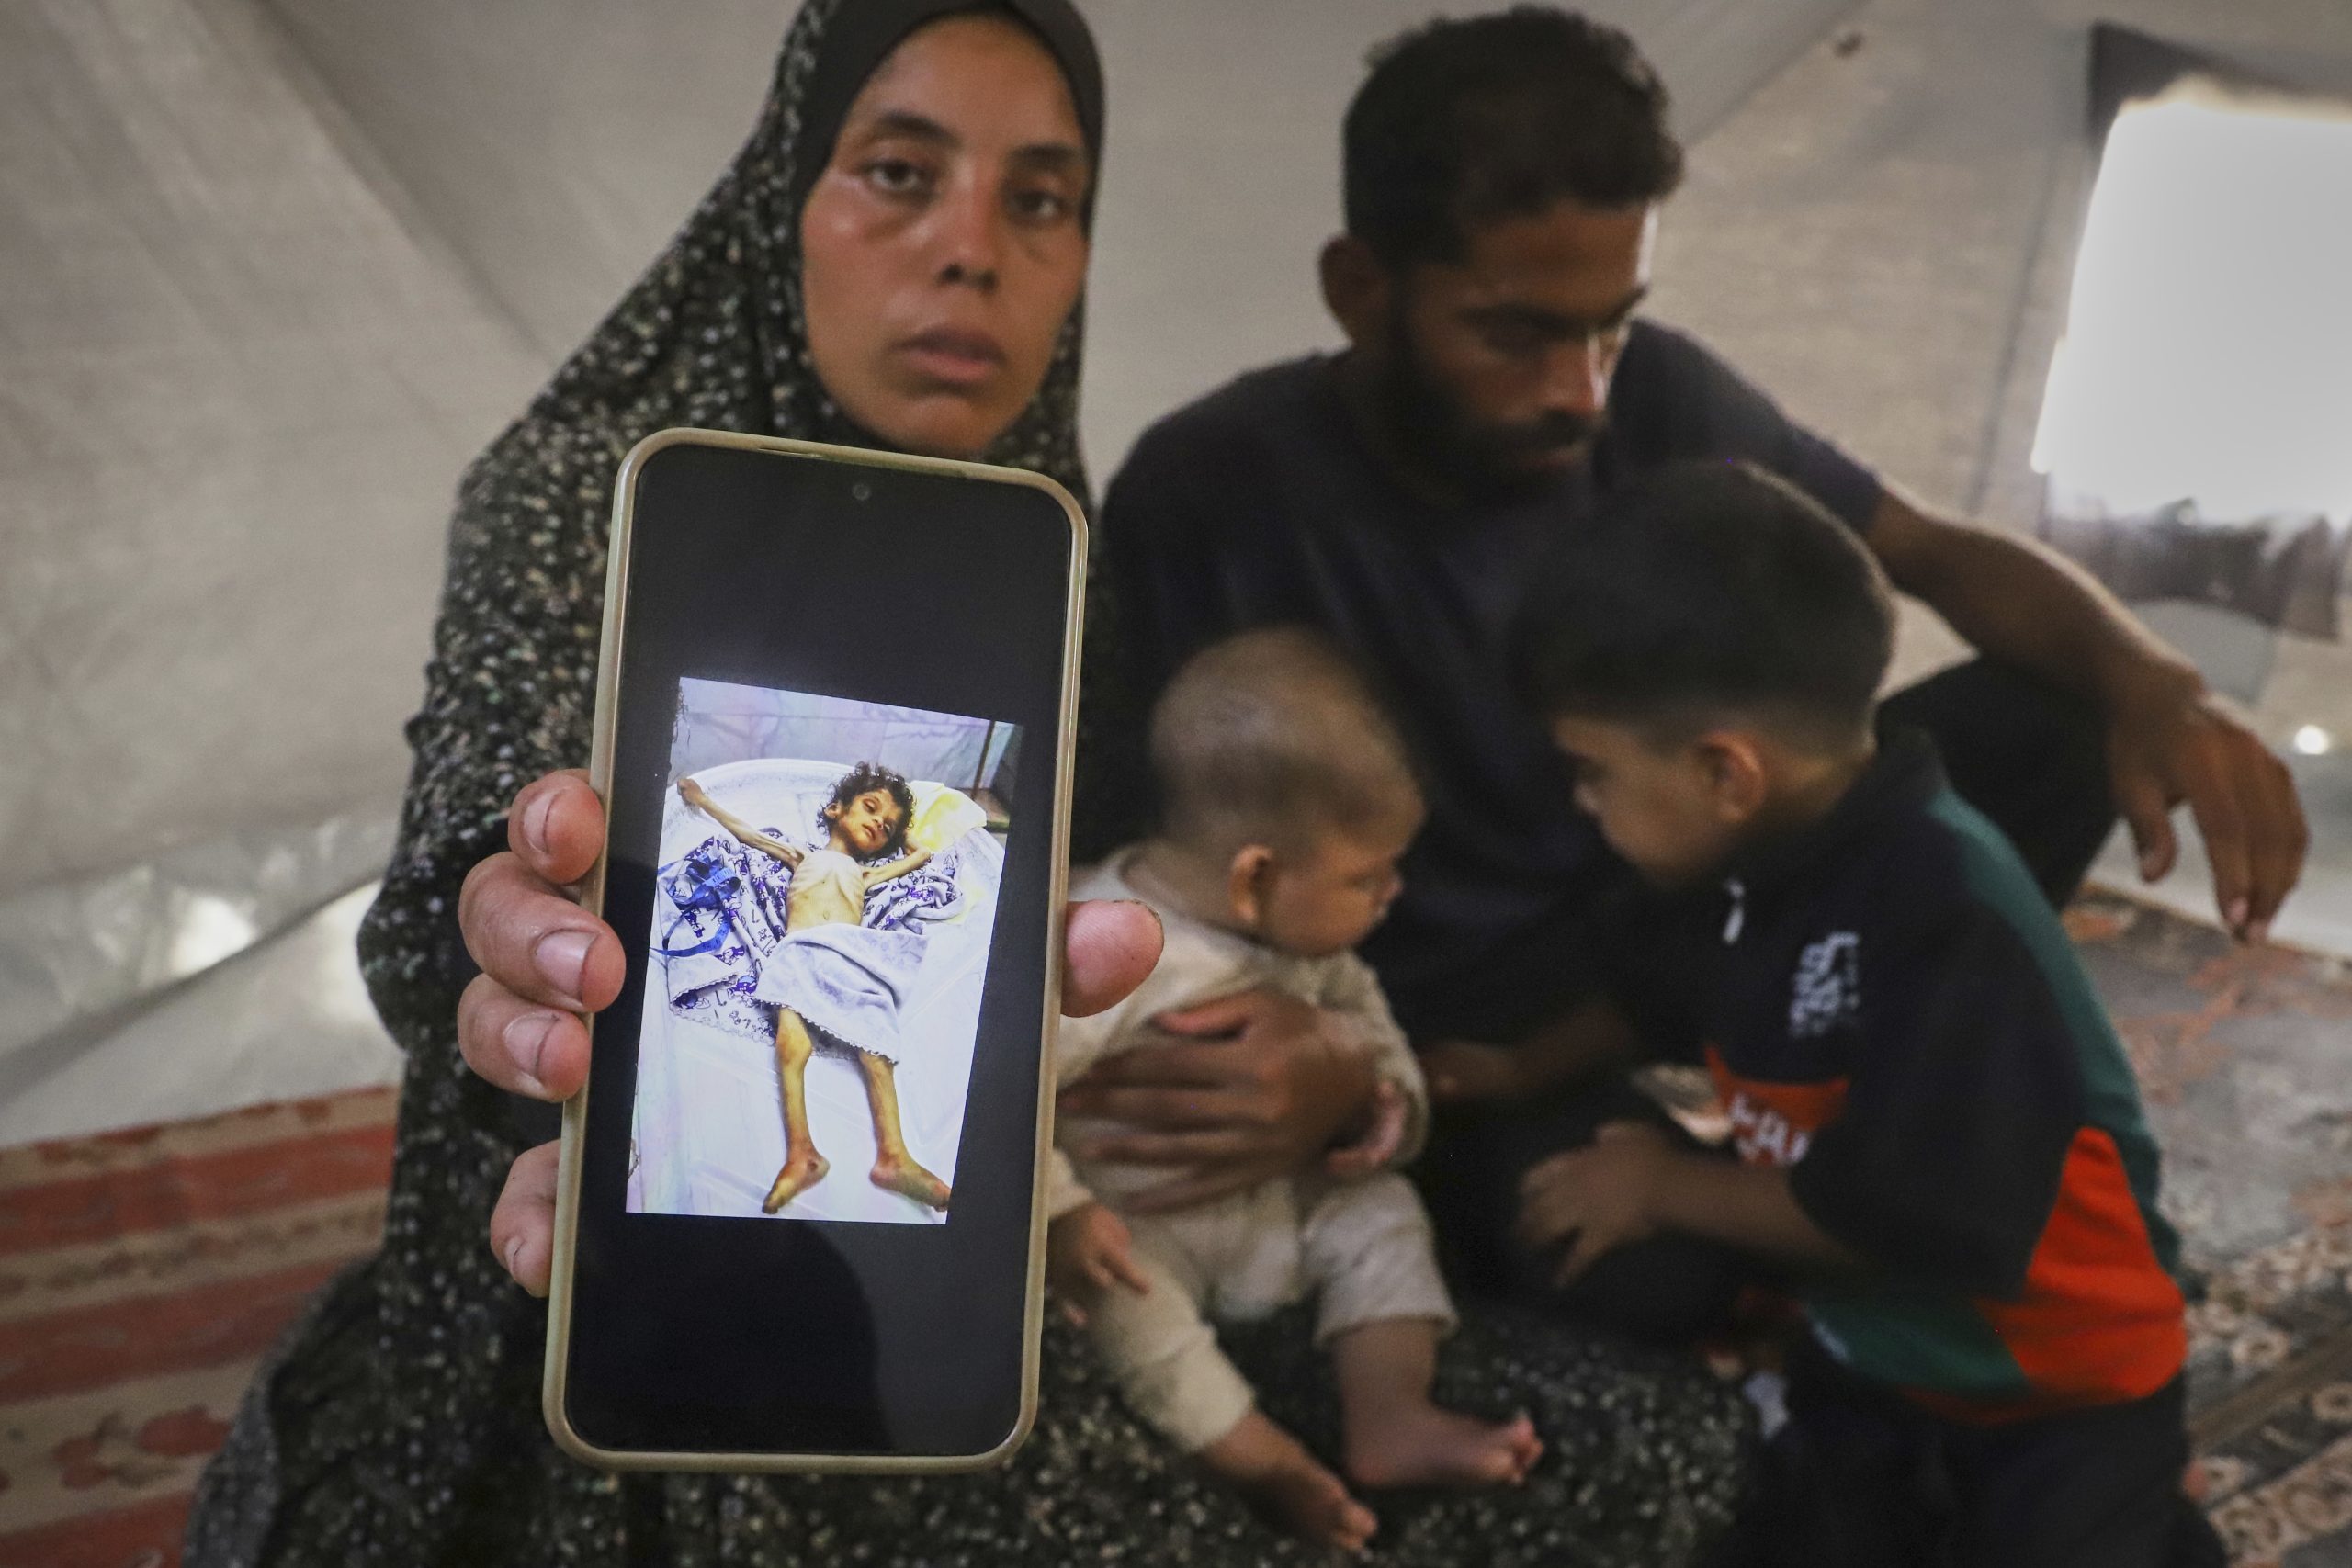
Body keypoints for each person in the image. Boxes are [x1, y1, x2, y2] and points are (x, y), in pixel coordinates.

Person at [187, 5, 1752, 1564]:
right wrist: (521, 959)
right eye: (898, 173)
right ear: (782, 200)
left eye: (1041, 198)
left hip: (1078, 1247)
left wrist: (1339, 1078)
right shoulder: (582, 496)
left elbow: (1158, 907)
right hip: (641, 1271)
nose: (971, 252)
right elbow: (464, 887)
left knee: (1667, 1446)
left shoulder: (1048, 541)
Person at [1066, 5, 2305, 1341]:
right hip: (1436, 1016)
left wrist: (2158, 681)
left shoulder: (1661, 398)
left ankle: (1869, 1088)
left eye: (1608, 330)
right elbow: (1129, 857)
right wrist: (1331, 1054)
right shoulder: (1211, 488)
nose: (1582, 391)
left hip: (1681, 907)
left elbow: (1933, 550)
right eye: (1517, 335)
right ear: (1362, 290)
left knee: (2055, 715)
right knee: (1658, 1288)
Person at [1506, 459, 2224, 1567]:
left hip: (2056, 1387)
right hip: (1883, 1360)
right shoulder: (1755, 868)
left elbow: (1908, 1215)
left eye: (1590, 770)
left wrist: (1658, 1186)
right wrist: (1505, 1074)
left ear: (1724, 773)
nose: (1581, 801)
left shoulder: (1945, 910)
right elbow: (1672, 1005)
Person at [1048, 627, 1540, 1551]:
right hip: (1142, 1228)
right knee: (1117, 1304)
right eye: (1368, 875)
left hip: (1285, 1213)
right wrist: (1063, 1213)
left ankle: (1390, 1411)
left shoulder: (1320, 952)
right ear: (1256, 877)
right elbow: (1000, 1096)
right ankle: (1258, 1459)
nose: (1393, 893)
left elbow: (1384, 1056)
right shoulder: (1103, 942)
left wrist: (1381, 1111)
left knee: (1383, 1208)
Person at [676, 766, 949, 1213]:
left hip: (848, 952)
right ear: (835, 810)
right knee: (791, 1044)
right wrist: (702, 800)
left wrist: (903, 838)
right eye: (871, 808)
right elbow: (746, 834)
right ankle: (801, 1153)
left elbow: (920, 858)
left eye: (886, 827)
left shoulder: (865, 875)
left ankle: (895, 1157)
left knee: (876, 1050)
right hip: (799, 949)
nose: (878, 823)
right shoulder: (800, 855)